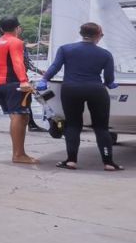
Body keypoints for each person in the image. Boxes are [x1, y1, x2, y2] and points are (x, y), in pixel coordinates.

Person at [39, 22, 122, 171]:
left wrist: (44, 80)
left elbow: (55, 67)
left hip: (71, 89)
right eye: (101, 35)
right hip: (96, 90)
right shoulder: (105, 54)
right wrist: (111, 84)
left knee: (73, 125)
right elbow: (109, 79)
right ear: (97, 35)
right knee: (102, 128)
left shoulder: (66, 49)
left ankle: (71, 161)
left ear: (81, 33)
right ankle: (108, 163)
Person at [0, 16, 38, 164]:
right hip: (13, 83)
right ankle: (19, 154)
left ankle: (18, 153)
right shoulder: (16, 42)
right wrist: (24, 81)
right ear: (17, 28)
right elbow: (18, 62)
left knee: (18, 116)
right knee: (20, 116)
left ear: (1, 29)